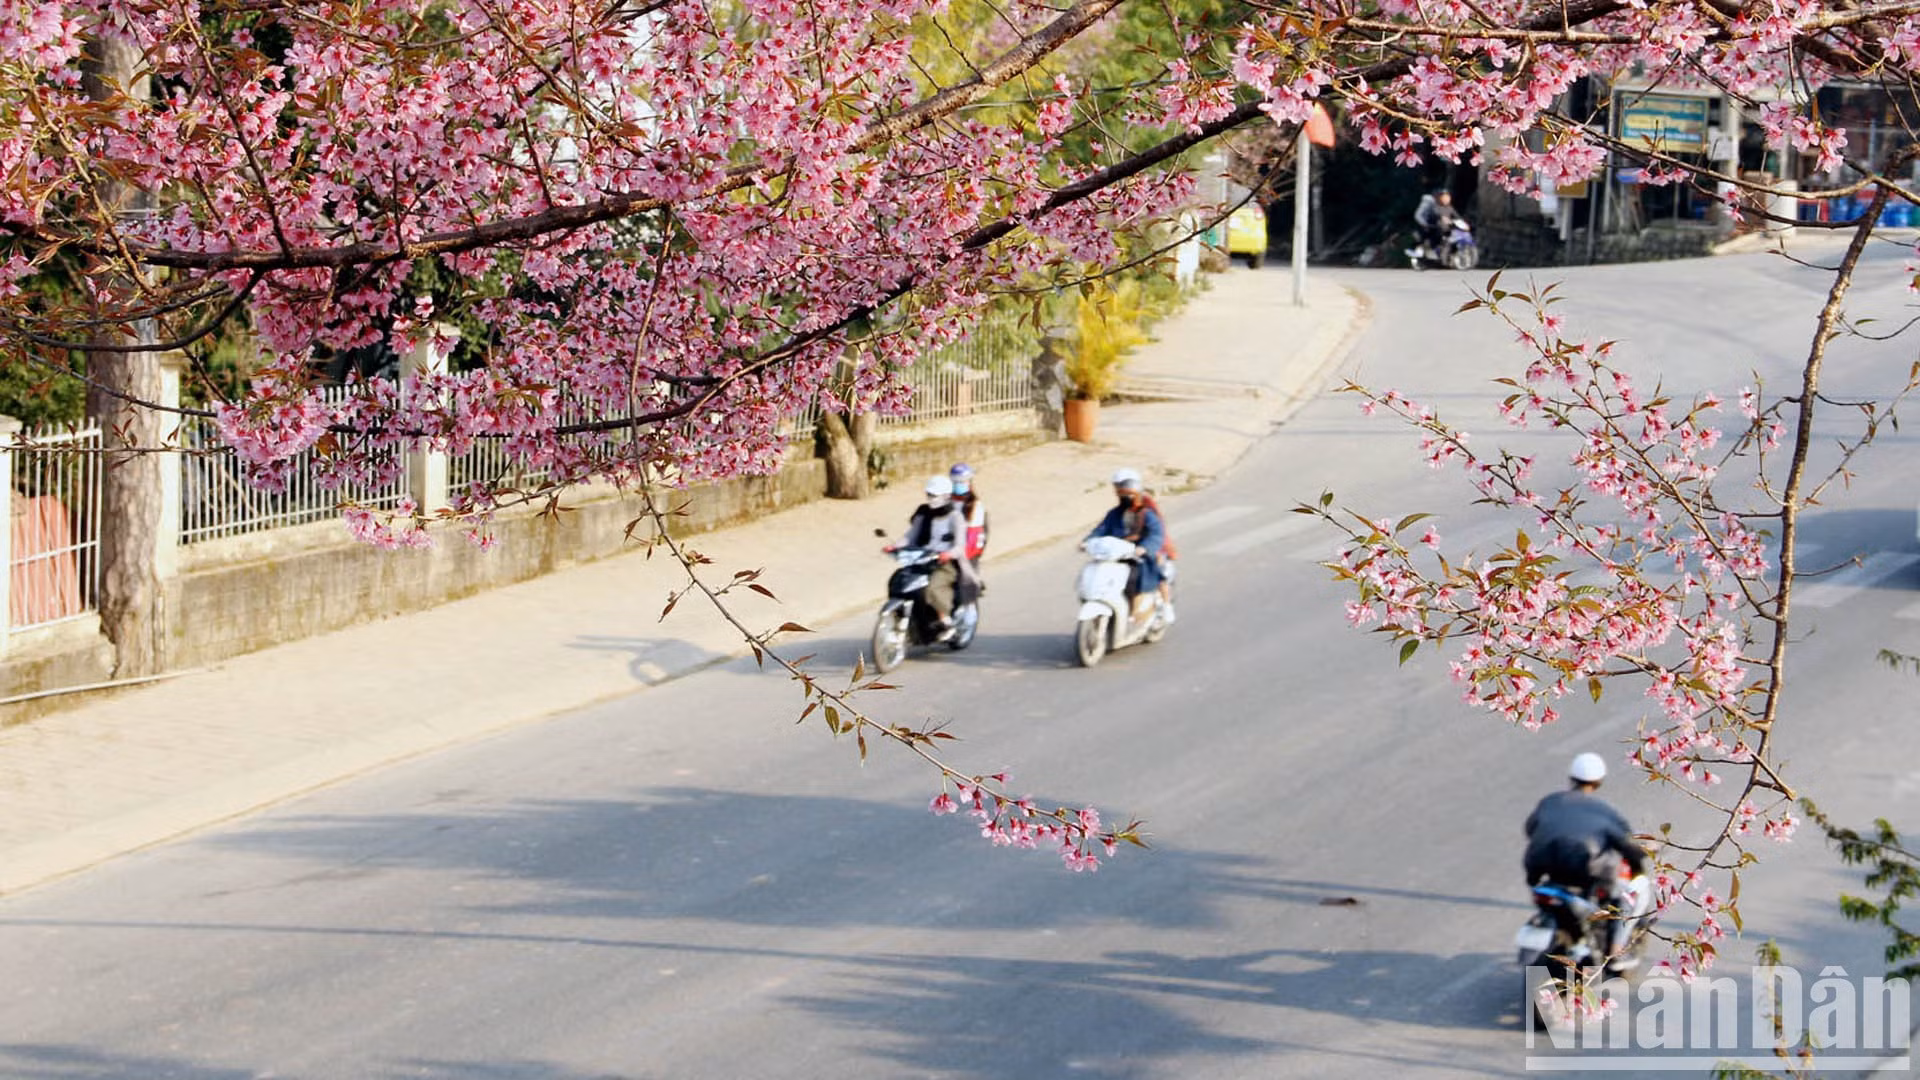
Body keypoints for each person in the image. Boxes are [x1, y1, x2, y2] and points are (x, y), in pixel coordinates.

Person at [1523, 753, 1649, 967]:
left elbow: (1531, 828)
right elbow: (1626, 843)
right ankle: (1616, 950)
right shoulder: (1605, 810)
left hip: (1545, 870)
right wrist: (1640, 855)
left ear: (1572, 776)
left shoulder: (1550, 802)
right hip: (1589, 873)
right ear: (1599, 781)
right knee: (1628, 896)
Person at [886, 475, 977, 637]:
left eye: (934, 495)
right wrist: (894, 546)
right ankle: (906, 619)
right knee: (898, 580)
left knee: (932, 587)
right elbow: (910, 536)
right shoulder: (923, 514)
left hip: (946, 564)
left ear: (946, 496)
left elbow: (959, 546)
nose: (931, 499)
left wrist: (947, 554)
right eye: (929, 494)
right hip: (922, 559)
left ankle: (946, 621)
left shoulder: (955, 517)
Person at [1085, 467, 1170, 622]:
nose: (1122, 495)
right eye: (1119, 491)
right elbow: (1101, 529)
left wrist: (1144, 548)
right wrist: (1088, 541)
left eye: (1125, 492)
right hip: (1117, 555)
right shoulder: (1114, 514)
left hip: (1139, 557)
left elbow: (1156, 534)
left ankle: (1140, 610)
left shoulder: (1147, 514)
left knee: (1133, 578)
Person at [949, 463, 989, 602]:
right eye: (955, 482)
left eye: (962, 481)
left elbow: (972, 535)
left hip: (968, 546)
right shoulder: (947, 501)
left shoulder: (975, 506)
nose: (958, 484)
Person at [1412, 188, 1456, 260]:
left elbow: (1439, 215)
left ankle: (1440, 252)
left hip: (1432, 223)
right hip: (1423, 224)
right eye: (1442, 196)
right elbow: (1417, 215)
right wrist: (1424, 224)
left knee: (1444, 233)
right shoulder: (1428, 202)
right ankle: (1427, 251)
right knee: (1436, 234)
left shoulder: (1438, 203)